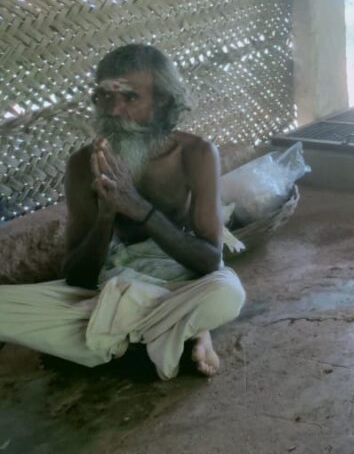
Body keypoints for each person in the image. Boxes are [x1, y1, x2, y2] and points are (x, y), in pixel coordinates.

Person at [0, 45, 245, 380]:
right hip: (111, 283)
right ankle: (180, 335)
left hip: (179, 279)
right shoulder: (82, 164)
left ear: (162, 101)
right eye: (105, 95)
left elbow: (209, 261)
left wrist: (138, 207)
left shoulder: (196, 153)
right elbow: (77, 277)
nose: (114, 110)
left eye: (130, 97)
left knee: (227, 293)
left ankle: (110, 345)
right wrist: (105, 215)